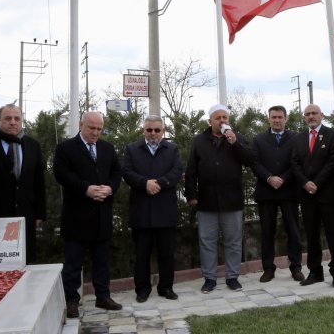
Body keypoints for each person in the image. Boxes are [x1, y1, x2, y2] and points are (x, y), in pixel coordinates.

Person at [53, 112, 123, 318]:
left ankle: (103, 297)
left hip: (102, 214)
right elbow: (62, 174)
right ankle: (72, 300)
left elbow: (116, 173)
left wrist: (110, 188)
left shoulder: (107, 148)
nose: (95, 132)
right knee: (74, 262)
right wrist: (86, 188)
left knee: (102, 260)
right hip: (76, 215)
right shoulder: (66, 148)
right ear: (81, 124)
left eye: (99, 129)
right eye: (91, 128)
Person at [185, 104, 254, 294]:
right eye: (218, 118)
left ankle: (232, 277)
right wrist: (191, 195)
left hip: (232, 200)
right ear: (210, 121)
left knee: (233, 241)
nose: (222, 121)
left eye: (225, 117)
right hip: (206, 201)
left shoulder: (236, 137)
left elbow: (249, 160)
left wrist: (235, 143)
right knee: (207, 241)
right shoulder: (199, 140)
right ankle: (209, 278)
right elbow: (191, 170)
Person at [122, 115, 183, 302]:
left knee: (166, 253)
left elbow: (177, 171)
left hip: (165, 209)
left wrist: (159, 183)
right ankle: (142, 289)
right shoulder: (132, 149)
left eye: (157, 130)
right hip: (141, 210)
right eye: (149, 130)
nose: (153, 133)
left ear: (163, 131)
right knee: (142, 254)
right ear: (143, 130)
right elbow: (126, 172)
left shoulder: (172, 149)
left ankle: (166, 288)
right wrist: (144, 183)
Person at [0, 103, 46, 263]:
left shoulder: (33, 145)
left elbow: (38, 181)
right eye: (8, 118)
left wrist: (40, 213)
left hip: (25, 215)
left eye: (17, 118)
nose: (13, 122)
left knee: (25, 261)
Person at [292, 103, 334, 287]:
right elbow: (295, 164)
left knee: (333, 234)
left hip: (328, 194)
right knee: (311, 235)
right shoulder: (298, 138)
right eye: (307, 114)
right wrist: (306, 183)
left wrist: (317, 183)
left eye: (314, 113)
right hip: (307, 195)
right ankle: (315, 272)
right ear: (304, 117)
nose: (311, 116)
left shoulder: (333, 135)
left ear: (321, 115)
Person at [251, 105, 304, 283]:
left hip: (289, 190)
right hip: (266, 191)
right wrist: (269, 178)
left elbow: (297, 162)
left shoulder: (295, 138)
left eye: (280, 117)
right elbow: (255, 163)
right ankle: (268, 268)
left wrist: (283, 178)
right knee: (267, 231)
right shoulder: (258, 139)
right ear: (269, 119)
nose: (277, 120)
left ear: (285, 119)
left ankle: (296, 266)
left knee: (293, 231)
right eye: (273, 117)